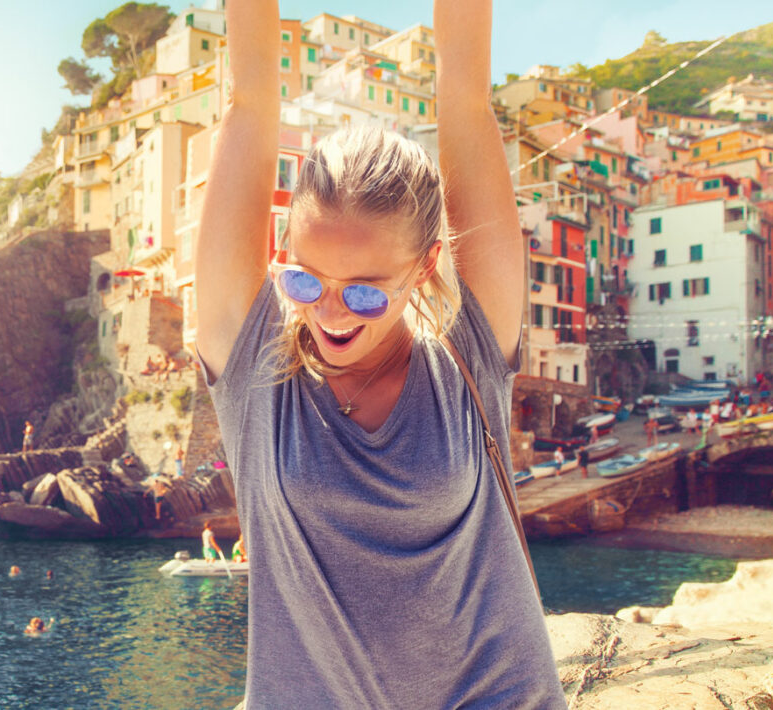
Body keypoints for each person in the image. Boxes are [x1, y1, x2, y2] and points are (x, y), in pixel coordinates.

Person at [192, 1, 565, 706]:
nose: (330, 311)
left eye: (365, 293)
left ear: (424, 269)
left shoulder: (470, 357)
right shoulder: (252, 372)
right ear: (283, 255)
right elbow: (248, 101)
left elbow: (465, 96)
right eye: (306, 279)